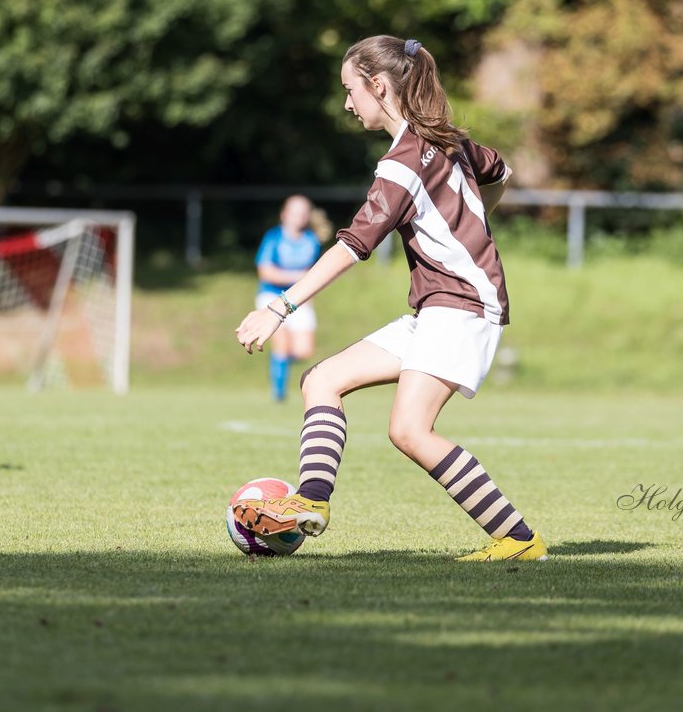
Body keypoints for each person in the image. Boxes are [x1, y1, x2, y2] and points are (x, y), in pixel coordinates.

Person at [233, 35, 545, 561]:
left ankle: (518, 540)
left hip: (462, 305)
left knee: (408, 429)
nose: (348, 104)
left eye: (351, 91)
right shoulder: (450, 142)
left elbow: (352, 246)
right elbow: (500, 174)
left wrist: (277, 307)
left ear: (378, 86)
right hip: (438, 307)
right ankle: (311, 503)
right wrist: (472, 218)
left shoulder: (401, 164)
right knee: (323, 379)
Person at [254, 195, 321, 402]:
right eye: (294, 212)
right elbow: (265, 272)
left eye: (303, 212)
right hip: (272, 296)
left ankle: (279, 363)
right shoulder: (273, 238)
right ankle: (279, 392)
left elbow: (315, 272)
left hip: (298, 298)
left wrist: (308, 292)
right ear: (284, 214)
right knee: (281, 344)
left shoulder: (312, 240)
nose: (298, 217)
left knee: (304, 351)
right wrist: (297, 277)